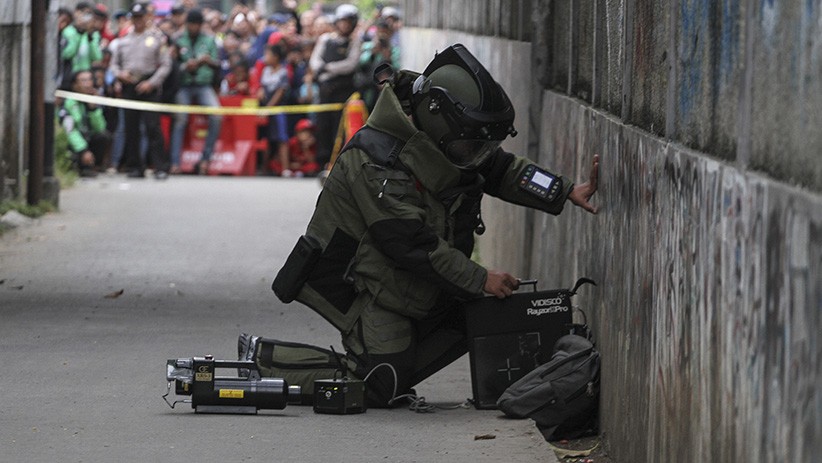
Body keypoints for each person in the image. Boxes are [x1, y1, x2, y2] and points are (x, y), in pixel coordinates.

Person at [239, 44, 600, 407]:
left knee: (475, 321)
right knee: (382, 383)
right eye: (468, 147)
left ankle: (388, 365)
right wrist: (480, 278)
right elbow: (408, 242)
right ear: (437, 121)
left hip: (418, 279)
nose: (473, 156)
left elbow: (501, 168)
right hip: (370, 284)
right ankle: (264, 361)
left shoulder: (453, 144)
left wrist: (564, 190)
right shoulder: (375, 160)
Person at [110, 2, 171, 179]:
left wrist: (152, 83)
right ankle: (135, 166)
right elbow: (114, 64)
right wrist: (119, 75)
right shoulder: (124, 40)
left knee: (153, 127)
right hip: (129, 83)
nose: (138, 21)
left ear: (146, 18)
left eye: (141, 17)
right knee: (131, 127)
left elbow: (165, 64)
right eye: (135, 18)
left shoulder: (156, 38)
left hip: (148, 84)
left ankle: (160, 166)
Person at [169, 8, 223, 175]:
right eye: (192, 24)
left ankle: (205, 159)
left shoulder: (209, 40)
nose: (195, 27)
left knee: (217, 115)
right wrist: (186, 66)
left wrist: (207, 61)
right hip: (183, 85)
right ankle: (175, 163)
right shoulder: (177, 39)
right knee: (180, 119)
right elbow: (171, 65)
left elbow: (218, 64)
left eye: (198, 25)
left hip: (203, 84)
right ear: (187, 24)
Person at [309, 3, 362, 168]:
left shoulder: (354, 42)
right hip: (325, 90)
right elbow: (315, 61)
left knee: (339, 126)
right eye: (342, 21)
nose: (344, 25)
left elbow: (350, 64)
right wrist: (322, 70)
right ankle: (322, 160)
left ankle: (338, 162)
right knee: (323, 125)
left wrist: (329, 68)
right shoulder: (326, 39)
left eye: (348, 22)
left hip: (343, 90)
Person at [58, 70, 111, 177]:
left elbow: (100, 128)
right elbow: (70, 131)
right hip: (73, 143)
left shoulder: (91, 101)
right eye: (83, 81)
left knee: (103, 136)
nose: (87, 84)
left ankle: (92, 166)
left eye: (89, 80)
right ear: (75, 85)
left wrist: (93, 110)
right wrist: (83, 151)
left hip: (87, 138)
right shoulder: (69, 103)